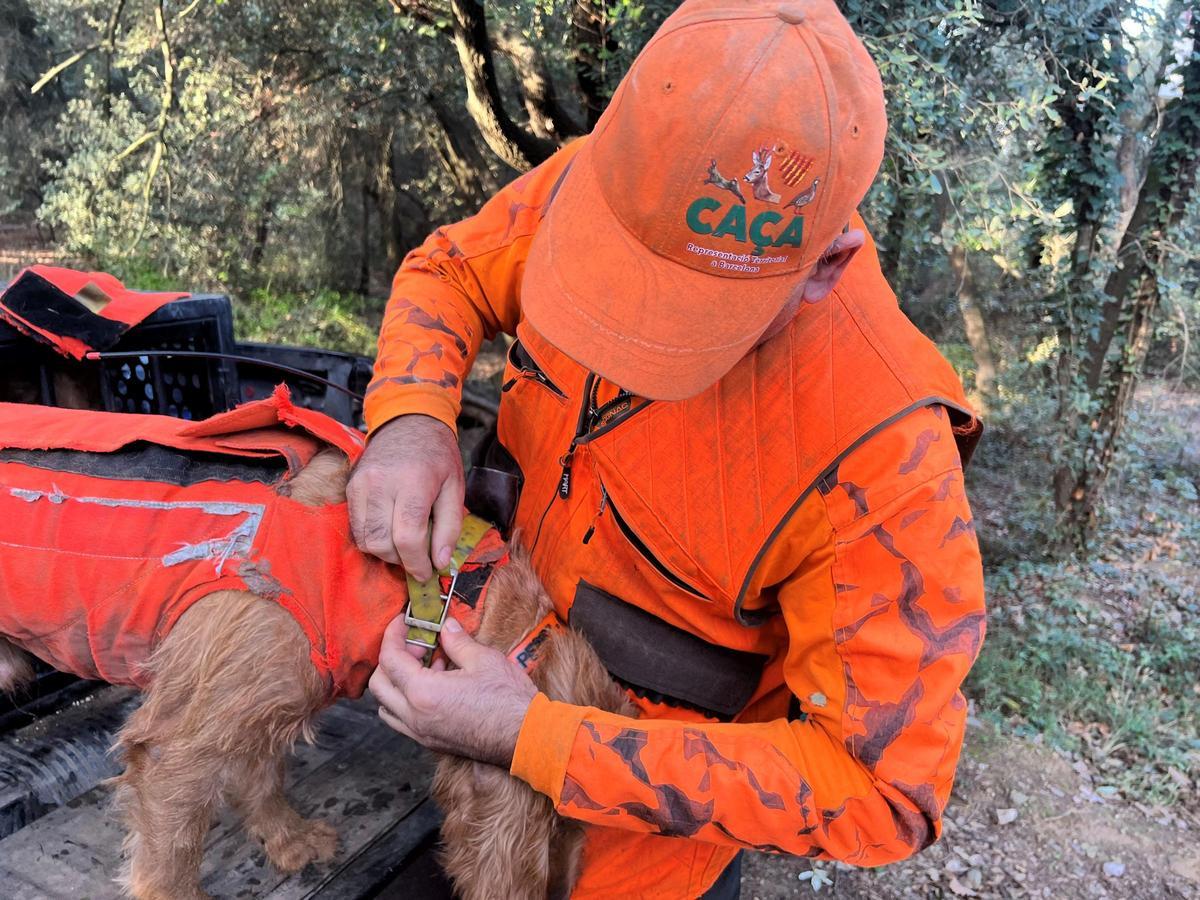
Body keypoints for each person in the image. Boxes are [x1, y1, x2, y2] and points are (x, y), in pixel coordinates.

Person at [357, 1, 986, 896]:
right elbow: (452, 268)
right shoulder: (615, 179)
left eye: (687, 313)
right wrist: (411, 416)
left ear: (827, 263)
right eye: (615, 266)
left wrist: (532, 737)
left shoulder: (882, 463)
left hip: (621, 861)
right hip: (439, 729)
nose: (625, 335)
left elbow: (880, 793)